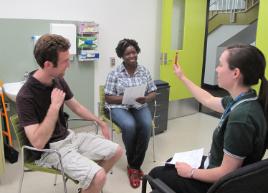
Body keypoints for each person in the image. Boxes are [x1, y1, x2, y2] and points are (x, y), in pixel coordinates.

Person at [148, 44, 268, 193]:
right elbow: (208, 100)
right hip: (216, 167)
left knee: (155, 174)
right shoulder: (245, 99)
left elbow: (226, 173)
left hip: (217, 185)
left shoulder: (241, 118)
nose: (216, 69)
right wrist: (182, 77)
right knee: (169, 165)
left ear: (235, 73)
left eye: (220, 64)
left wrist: (191, 172)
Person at [16, 34, 123, 193]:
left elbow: (77, 107)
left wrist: (99, 121)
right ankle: (94, 181)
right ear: (48, 64)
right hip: (50, 151)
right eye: (65, 61)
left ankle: (89, 185)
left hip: (70, 137)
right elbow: (38, 143)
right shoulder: (25, 96)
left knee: (116, 151)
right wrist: (54, 108)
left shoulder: (57, 79)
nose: (69, 66)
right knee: (99, 176)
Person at [104, 38, 157, 188]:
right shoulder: (114, 73)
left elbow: (153, 91)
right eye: (128, 53)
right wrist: (126, 98)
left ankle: (134, 166)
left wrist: (146, 98)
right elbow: (108, 97)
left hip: (138, 105)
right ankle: (133, 166)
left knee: (146, 125)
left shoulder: (144, 71)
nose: (132, 55)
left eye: (134, 52)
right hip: (119, 107)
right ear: (122, 55)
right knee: (129, 125)